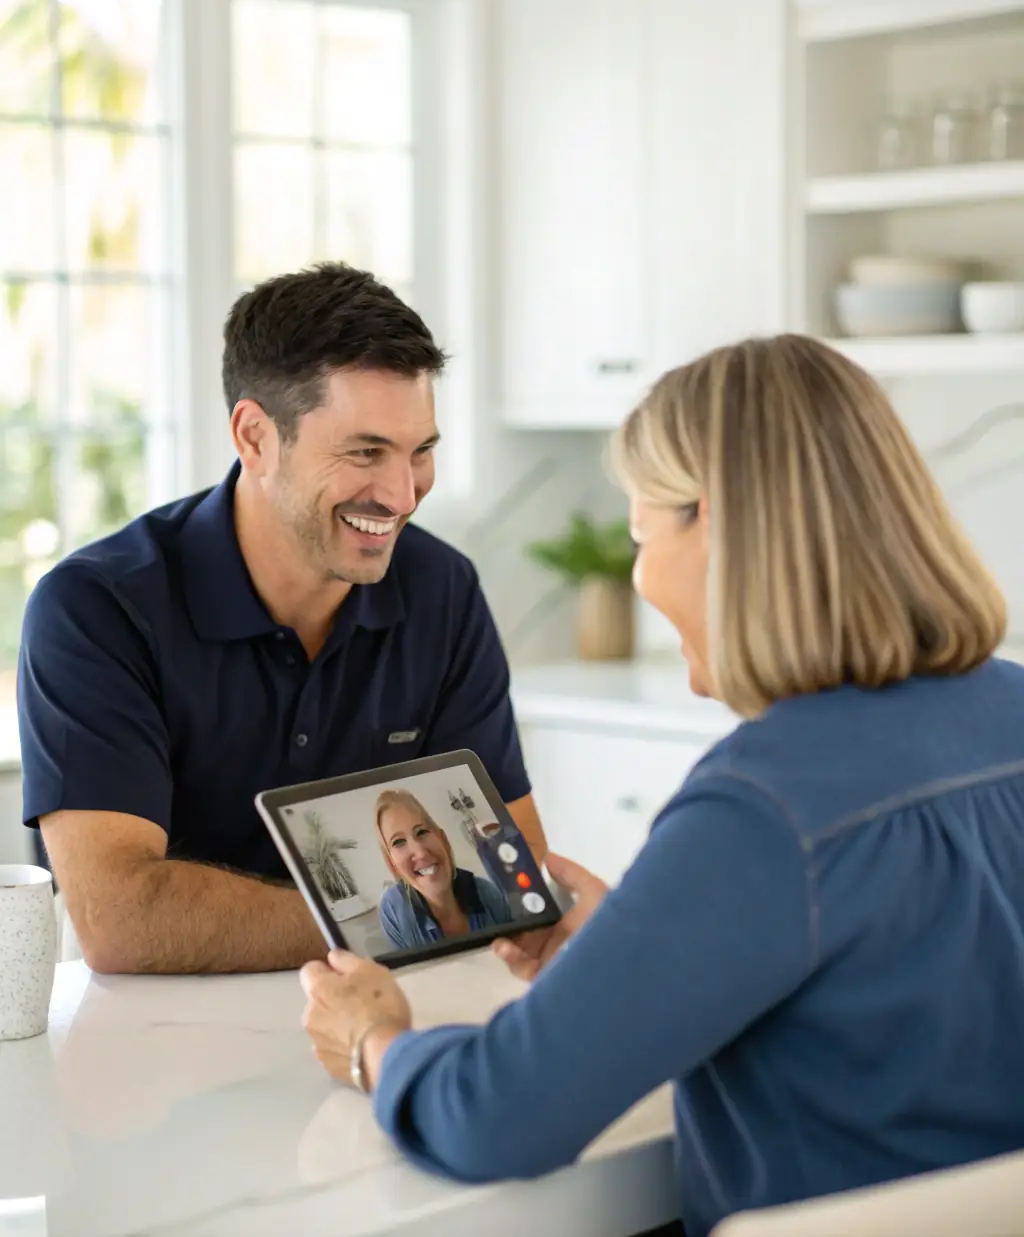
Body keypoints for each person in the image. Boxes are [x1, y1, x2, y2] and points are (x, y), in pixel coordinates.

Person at [301, 334, 1024, 1237]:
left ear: (714, 525)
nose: (640, 579)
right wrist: (635, 941)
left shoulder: (764, 808)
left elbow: (495, 1115)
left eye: (642, 536)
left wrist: (376, 1039)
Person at [18, 262, 546, 976]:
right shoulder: (96, 610)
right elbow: (120, 916)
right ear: (256, 437)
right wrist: (401, 916)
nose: (402, 493)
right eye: (365, 452)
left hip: (382, 1025)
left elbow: (516, 876)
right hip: (159, 1051)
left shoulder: (442, 589)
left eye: (421, 451)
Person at [373, 789, 511, 950]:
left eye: (422, 832)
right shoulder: (393, 909)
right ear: (391, 864)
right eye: (398, 842)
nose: (421, 853)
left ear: (443, 840)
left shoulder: (489, 895)